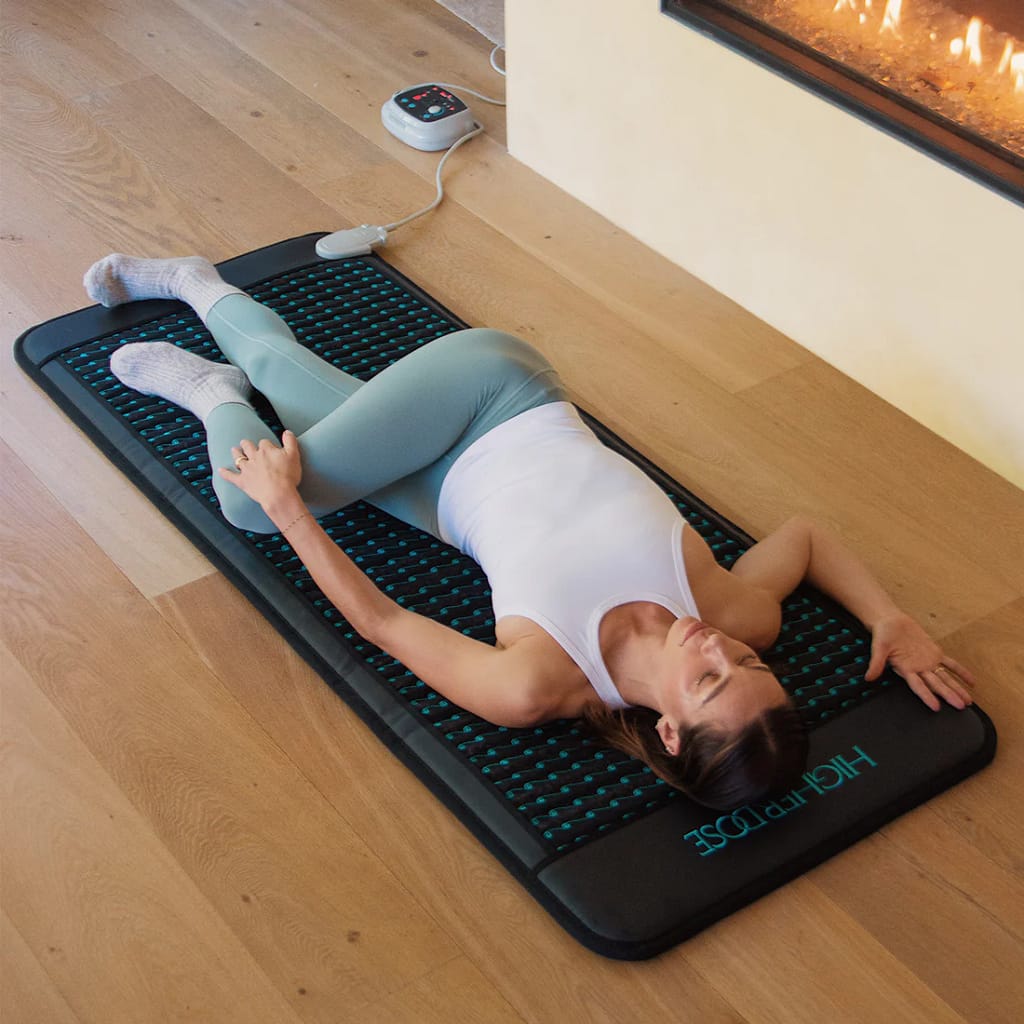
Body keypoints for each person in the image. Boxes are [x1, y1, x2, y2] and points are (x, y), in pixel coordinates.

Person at [84, 253, 977, 811]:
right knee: (264, 473)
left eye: (710, 681)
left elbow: (388, 625)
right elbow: (810, 534)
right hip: (496, 391)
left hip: (448, 499)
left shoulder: (538, 687)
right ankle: (209, 357)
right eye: (750, 667)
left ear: (670, 731)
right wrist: (886, 617)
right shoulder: (736, 613)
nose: (721, 650)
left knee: (265, 480)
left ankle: (214, 367)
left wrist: (291, 512)